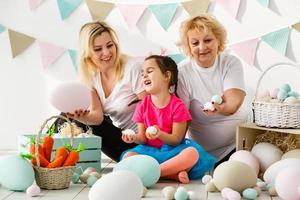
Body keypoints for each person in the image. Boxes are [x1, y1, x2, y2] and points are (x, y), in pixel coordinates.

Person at [121, 55, 215, 184]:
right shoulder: (142, 106)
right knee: (128, 156)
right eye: (142, 73)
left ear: (166, 76)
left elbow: (176, 140)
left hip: (173, 152)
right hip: (150, 153)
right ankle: (171, 174)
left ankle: (153, 173)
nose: (144, 76)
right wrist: (133, 138)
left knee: (192, 154)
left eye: (149, 71)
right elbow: (142, 139)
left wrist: (160, 134)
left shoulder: (178, 106)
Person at [65, 21, 147, 161]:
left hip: (141, 143)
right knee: (67, 115)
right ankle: (45, 156)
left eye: (110, 45)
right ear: (87, 53)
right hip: (122, 139)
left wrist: (145, 139)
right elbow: (97, 117)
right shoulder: (90, 75)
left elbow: (150, 110)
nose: (107, 52)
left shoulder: (133, 67)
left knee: (74, 119)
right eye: (98, 49)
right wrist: (81, 117)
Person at [177, 14, 249, 165]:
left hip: (238, 145)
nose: (202, 47)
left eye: (208, 40)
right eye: (195, 43)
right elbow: (181, 117)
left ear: (218, 41)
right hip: (202, 153)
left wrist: (219, 108)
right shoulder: (183, 72)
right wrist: (177, 149)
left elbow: (233, 104)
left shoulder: (230, 63)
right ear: (189, 47)